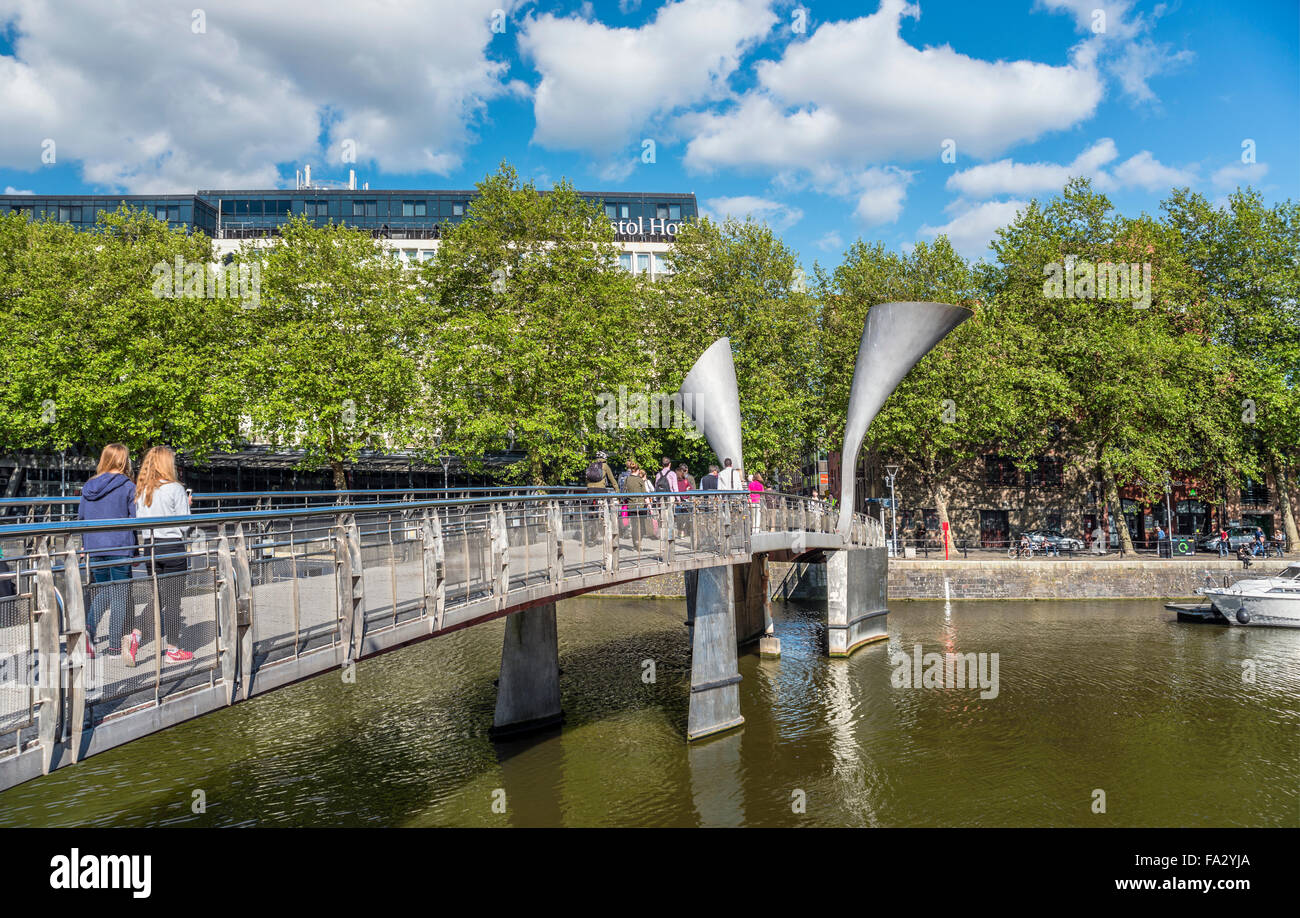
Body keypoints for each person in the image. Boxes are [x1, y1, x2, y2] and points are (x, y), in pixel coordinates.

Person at [78, 443, 139, 659]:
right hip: (120, 546)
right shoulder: (128, 487)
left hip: (95, 547)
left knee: (103, 591)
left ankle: (89, 634)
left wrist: (85, 545)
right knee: (120, 595)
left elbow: (82, 519)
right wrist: (136, 550)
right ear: (124, 461)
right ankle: (114, 646)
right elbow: (134, 520)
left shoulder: (89, 487)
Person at [135, 446, 194, 664]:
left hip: (150, 547)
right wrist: (187, 506)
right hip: (172, 547)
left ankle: (135, 635)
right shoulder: (175, 488)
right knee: (173, 601)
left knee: (157, 597)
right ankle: (172, 650)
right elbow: (185, 526)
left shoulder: (142, 489)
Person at [622, 461, 650, 551]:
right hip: (641, 505)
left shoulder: (627, 479)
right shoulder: (640, 480)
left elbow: (624, 492)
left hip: (631, 505)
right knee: (641, 525)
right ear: (638, 470)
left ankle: (635, 544)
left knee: (634, 526)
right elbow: (645, 495)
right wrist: (649, 506)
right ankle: (639, 543)